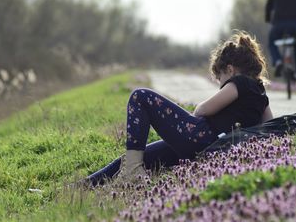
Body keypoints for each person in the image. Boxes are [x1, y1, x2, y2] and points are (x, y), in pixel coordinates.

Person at [83, 31, 273, 187]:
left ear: (230, 70)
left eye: (220, 78)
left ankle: (132, 174)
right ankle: (85, 185)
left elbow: (204, 110)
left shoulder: (239, 82)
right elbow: (271, 127)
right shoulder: (261, 95)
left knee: (140, 96)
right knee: (140, 156)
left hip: (201, 139)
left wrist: (195, 112)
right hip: (211, 149)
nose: (221, 85)